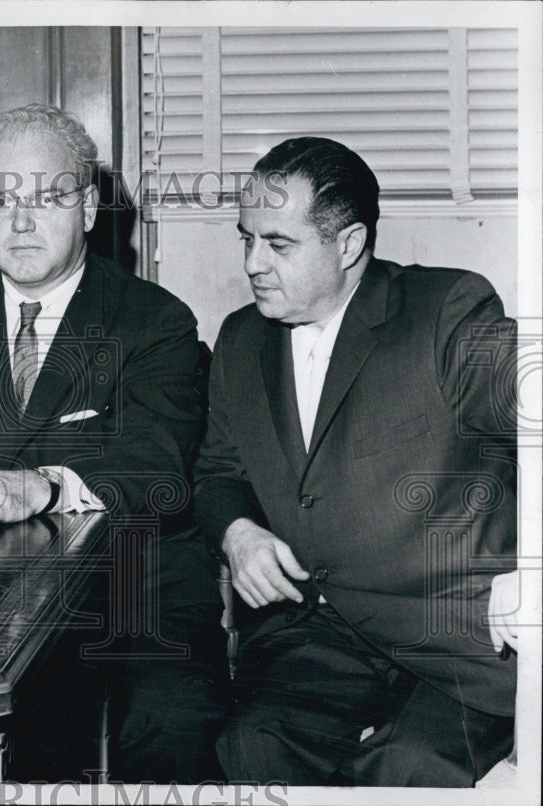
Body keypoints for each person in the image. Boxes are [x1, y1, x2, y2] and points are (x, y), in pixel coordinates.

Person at [0, 104, 228, 782]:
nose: (22, 220)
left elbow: (157, 472)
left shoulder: (154, 321)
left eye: (50, 196)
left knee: (166, 729)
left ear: (90, 208)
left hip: (132, 585)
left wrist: (40, 485)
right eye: (2, 198)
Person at [194, 136, 518, 786]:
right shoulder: (240, 339)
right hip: (314, 630)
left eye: (278, 245)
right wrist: (238, 533)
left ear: (348, 245)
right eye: (246, 239)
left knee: (403, 773)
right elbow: (218, 473)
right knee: (252, 750)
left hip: (449, 641)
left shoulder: (444, 314)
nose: (254, 262)